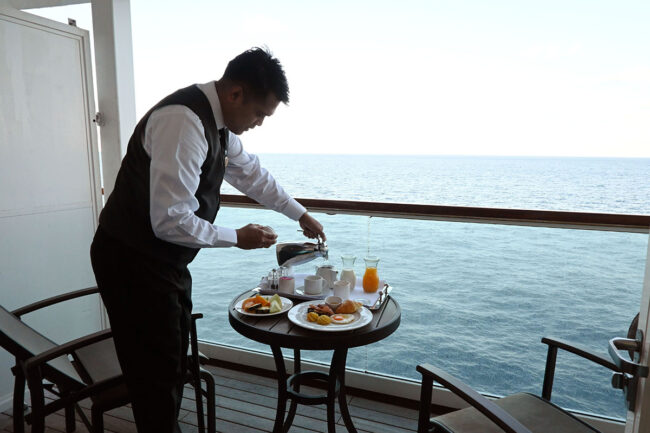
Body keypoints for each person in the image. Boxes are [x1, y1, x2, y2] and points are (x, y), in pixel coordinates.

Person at [90, 47, 325, 433]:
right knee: (154, 373)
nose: (259, 123)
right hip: (130, 260)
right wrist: (238, 237)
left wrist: (299, 214)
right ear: (235, 94)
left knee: (170, 361)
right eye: (259, 114)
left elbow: (252, 175)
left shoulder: (218, 125)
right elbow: (171, 221)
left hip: (163, 261)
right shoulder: (182, 122)